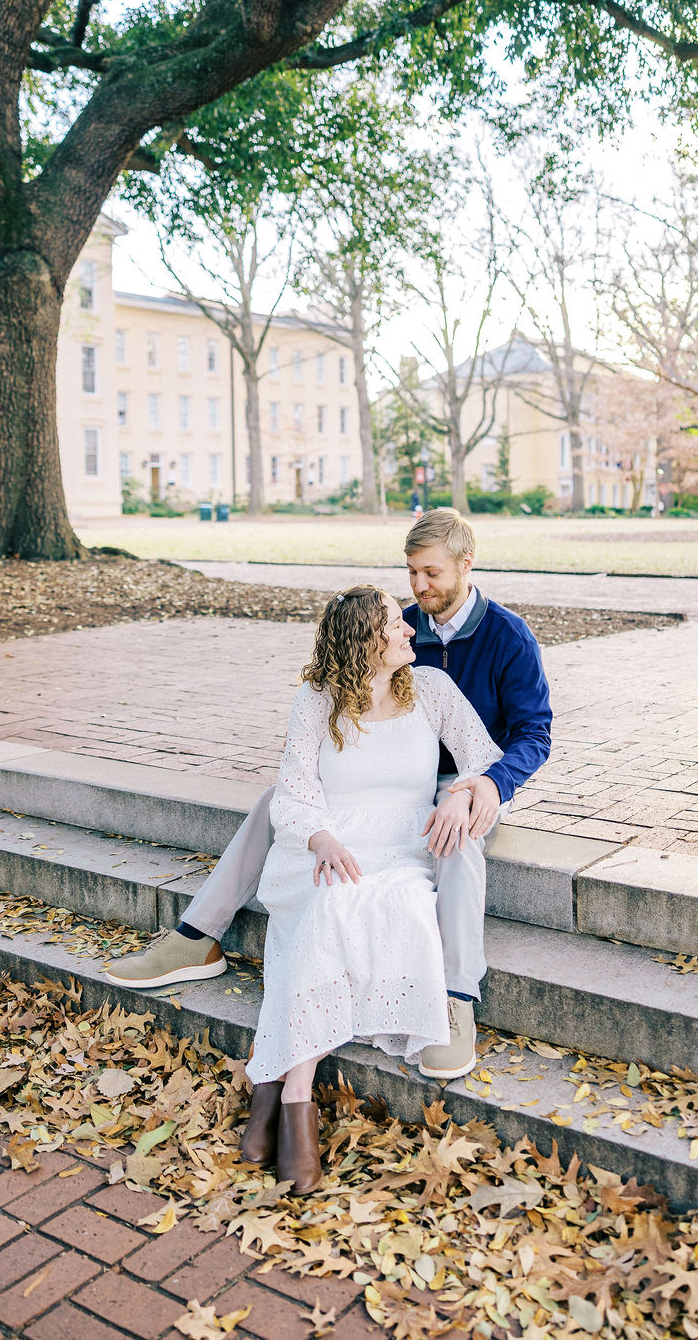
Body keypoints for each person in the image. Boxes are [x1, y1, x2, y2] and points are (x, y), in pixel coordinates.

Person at [106, 508, 552, 1080]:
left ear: (467, 565)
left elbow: (532, 736)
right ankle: (199, 936)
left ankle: (457, 997)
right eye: (412, 573)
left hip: (469, 777)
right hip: (377, 777)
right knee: (281, 801)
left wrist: (483, 786)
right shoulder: (397, 626)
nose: (419, 588)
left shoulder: (507, 638)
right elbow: (343, 693)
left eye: (432, 573)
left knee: (457, 837)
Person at [238, 586, 501, 1191]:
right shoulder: (316, 701)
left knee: (396, 903)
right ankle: (297, 1088)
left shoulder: (432, 689)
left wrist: (462, 794)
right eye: (395, 626)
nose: (411, 630)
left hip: (407, 848)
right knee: (332, 900)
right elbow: (295, 788)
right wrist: (321, 838)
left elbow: (482, 758)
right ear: (365, 640)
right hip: (330, 841)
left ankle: (273, 1088)